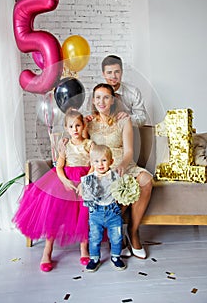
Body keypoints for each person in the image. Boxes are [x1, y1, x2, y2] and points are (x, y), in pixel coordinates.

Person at [13, 108, 94, 272]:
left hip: (85, 179)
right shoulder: (65, 145)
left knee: (85, 212)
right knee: (54, 209)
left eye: (78, 125)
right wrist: (64, 180)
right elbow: (60, 166)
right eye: (71, 127)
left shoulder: (89, 144)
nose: (75, 130)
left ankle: (84, 248)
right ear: (66, 128)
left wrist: (84, 182)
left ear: (83, 125)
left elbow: (93, 165)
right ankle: (47, 250)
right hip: (66, 179)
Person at [85, 83, 153, 259]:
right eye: (98, 97)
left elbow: (129, 151)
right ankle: (117, 234)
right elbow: (77, 141)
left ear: (113, 100)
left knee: (146, 180)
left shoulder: (123, 120)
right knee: (109, 185)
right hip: (102, 166)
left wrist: (122, 164)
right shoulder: (89, 123)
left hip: (122, 163)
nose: (102, 101)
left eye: (106, 97)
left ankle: (133, 231)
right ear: (93, 101)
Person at [81, 144, 126, 272]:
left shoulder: (116, 177)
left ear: (111, 161)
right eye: (96, 161)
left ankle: (116, 256)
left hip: (113, 211)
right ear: (92, 163)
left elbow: (121, 190)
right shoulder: (89, 179)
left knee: (116, 237)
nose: (100, 164)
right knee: (94, 237)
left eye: (104, 160)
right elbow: (85, 194)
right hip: (96, 212)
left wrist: (122, 194)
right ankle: (94, 258)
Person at [101, 54, 147, 127]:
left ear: (122, 72)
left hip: (130, 132)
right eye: (109, 72)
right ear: (103, 74)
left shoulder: (133, 92)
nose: (113, 76)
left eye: (117, 72)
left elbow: (142, 119)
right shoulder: (97, 93)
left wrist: (128, 118)